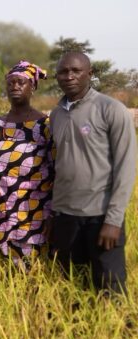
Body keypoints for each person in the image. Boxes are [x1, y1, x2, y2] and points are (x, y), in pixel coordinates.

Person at [48, 52, 137, 293]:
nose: (69, 76)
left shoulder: (110, 109)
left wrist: (113, 220)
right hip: (66, 216)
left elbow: (126, 167)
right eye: (63, 72)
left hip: (100, 216)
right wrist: (54, 216)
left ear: (90, 74)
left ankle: (115, 330)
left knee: (110, 288)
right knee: (74, 286)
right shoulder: (56, 115)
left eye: (76, 71)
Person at [0, 60, 54, 268]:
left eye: (21, 83)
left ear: (32, 87)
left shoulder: (45, 125)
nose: (14, 87)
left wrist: (54, 214)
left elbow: (56, 171)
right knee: (3, 273)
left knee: (32, 272)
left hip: (34, 213)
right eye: (11, 83)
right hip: (0, 213)